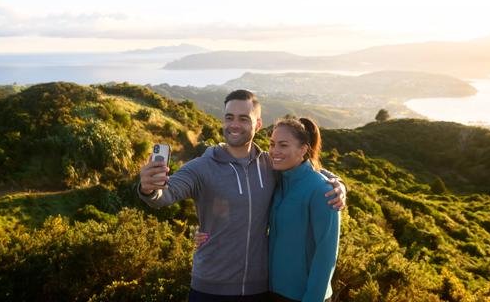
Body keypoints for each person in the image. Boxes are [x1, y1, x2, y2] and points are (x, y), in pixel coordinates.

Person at [138, 90, 346, 301]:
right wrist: (150, 188)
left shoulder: (269, 165)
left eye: (243, 118)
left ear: (257, 125)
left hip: (259, 290)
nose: (234, 124)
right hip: (210, 289)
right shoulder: (201, 168)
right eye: (229, 118)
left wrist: (338, 184)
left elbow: (304, 172)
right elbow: (166, 194)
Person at [268, 117, 340, 302]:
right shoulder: (276, 181)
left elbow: (327, 254)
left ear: (303, 149)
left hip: (305, 295)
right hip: (272, 290)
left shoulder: (323, 191)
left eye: (283, 145)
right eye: (272, 144)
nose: (275, 151)